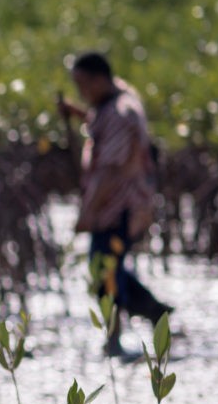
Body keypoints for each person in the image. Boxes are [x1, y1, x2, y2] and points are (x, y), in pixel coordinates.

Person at [57, 51, 171, 358]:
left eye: (83, 85)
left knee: (104, 274)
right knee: (109, 270)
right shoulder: (116, 100)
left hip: (119, 210)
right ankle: (153, 315)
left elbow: (110, 171)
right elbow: (102, 127)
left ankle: (118, 337)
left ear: (99, 79)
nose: (81, 92)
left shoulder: (121, 113)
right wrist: (77, 113)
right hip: (114, 209)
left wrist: (87, 212)